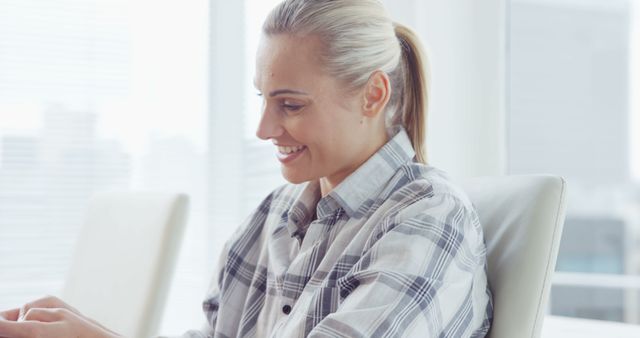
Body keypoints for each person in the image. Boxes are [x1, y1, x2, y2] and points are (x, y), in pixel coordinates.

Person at [0, 0, 493, 337]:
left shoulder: (430, 218)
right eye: (262, 98)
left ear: (372, 94)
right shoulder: (274, 215)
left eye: (291, 105)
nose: (262, 128)